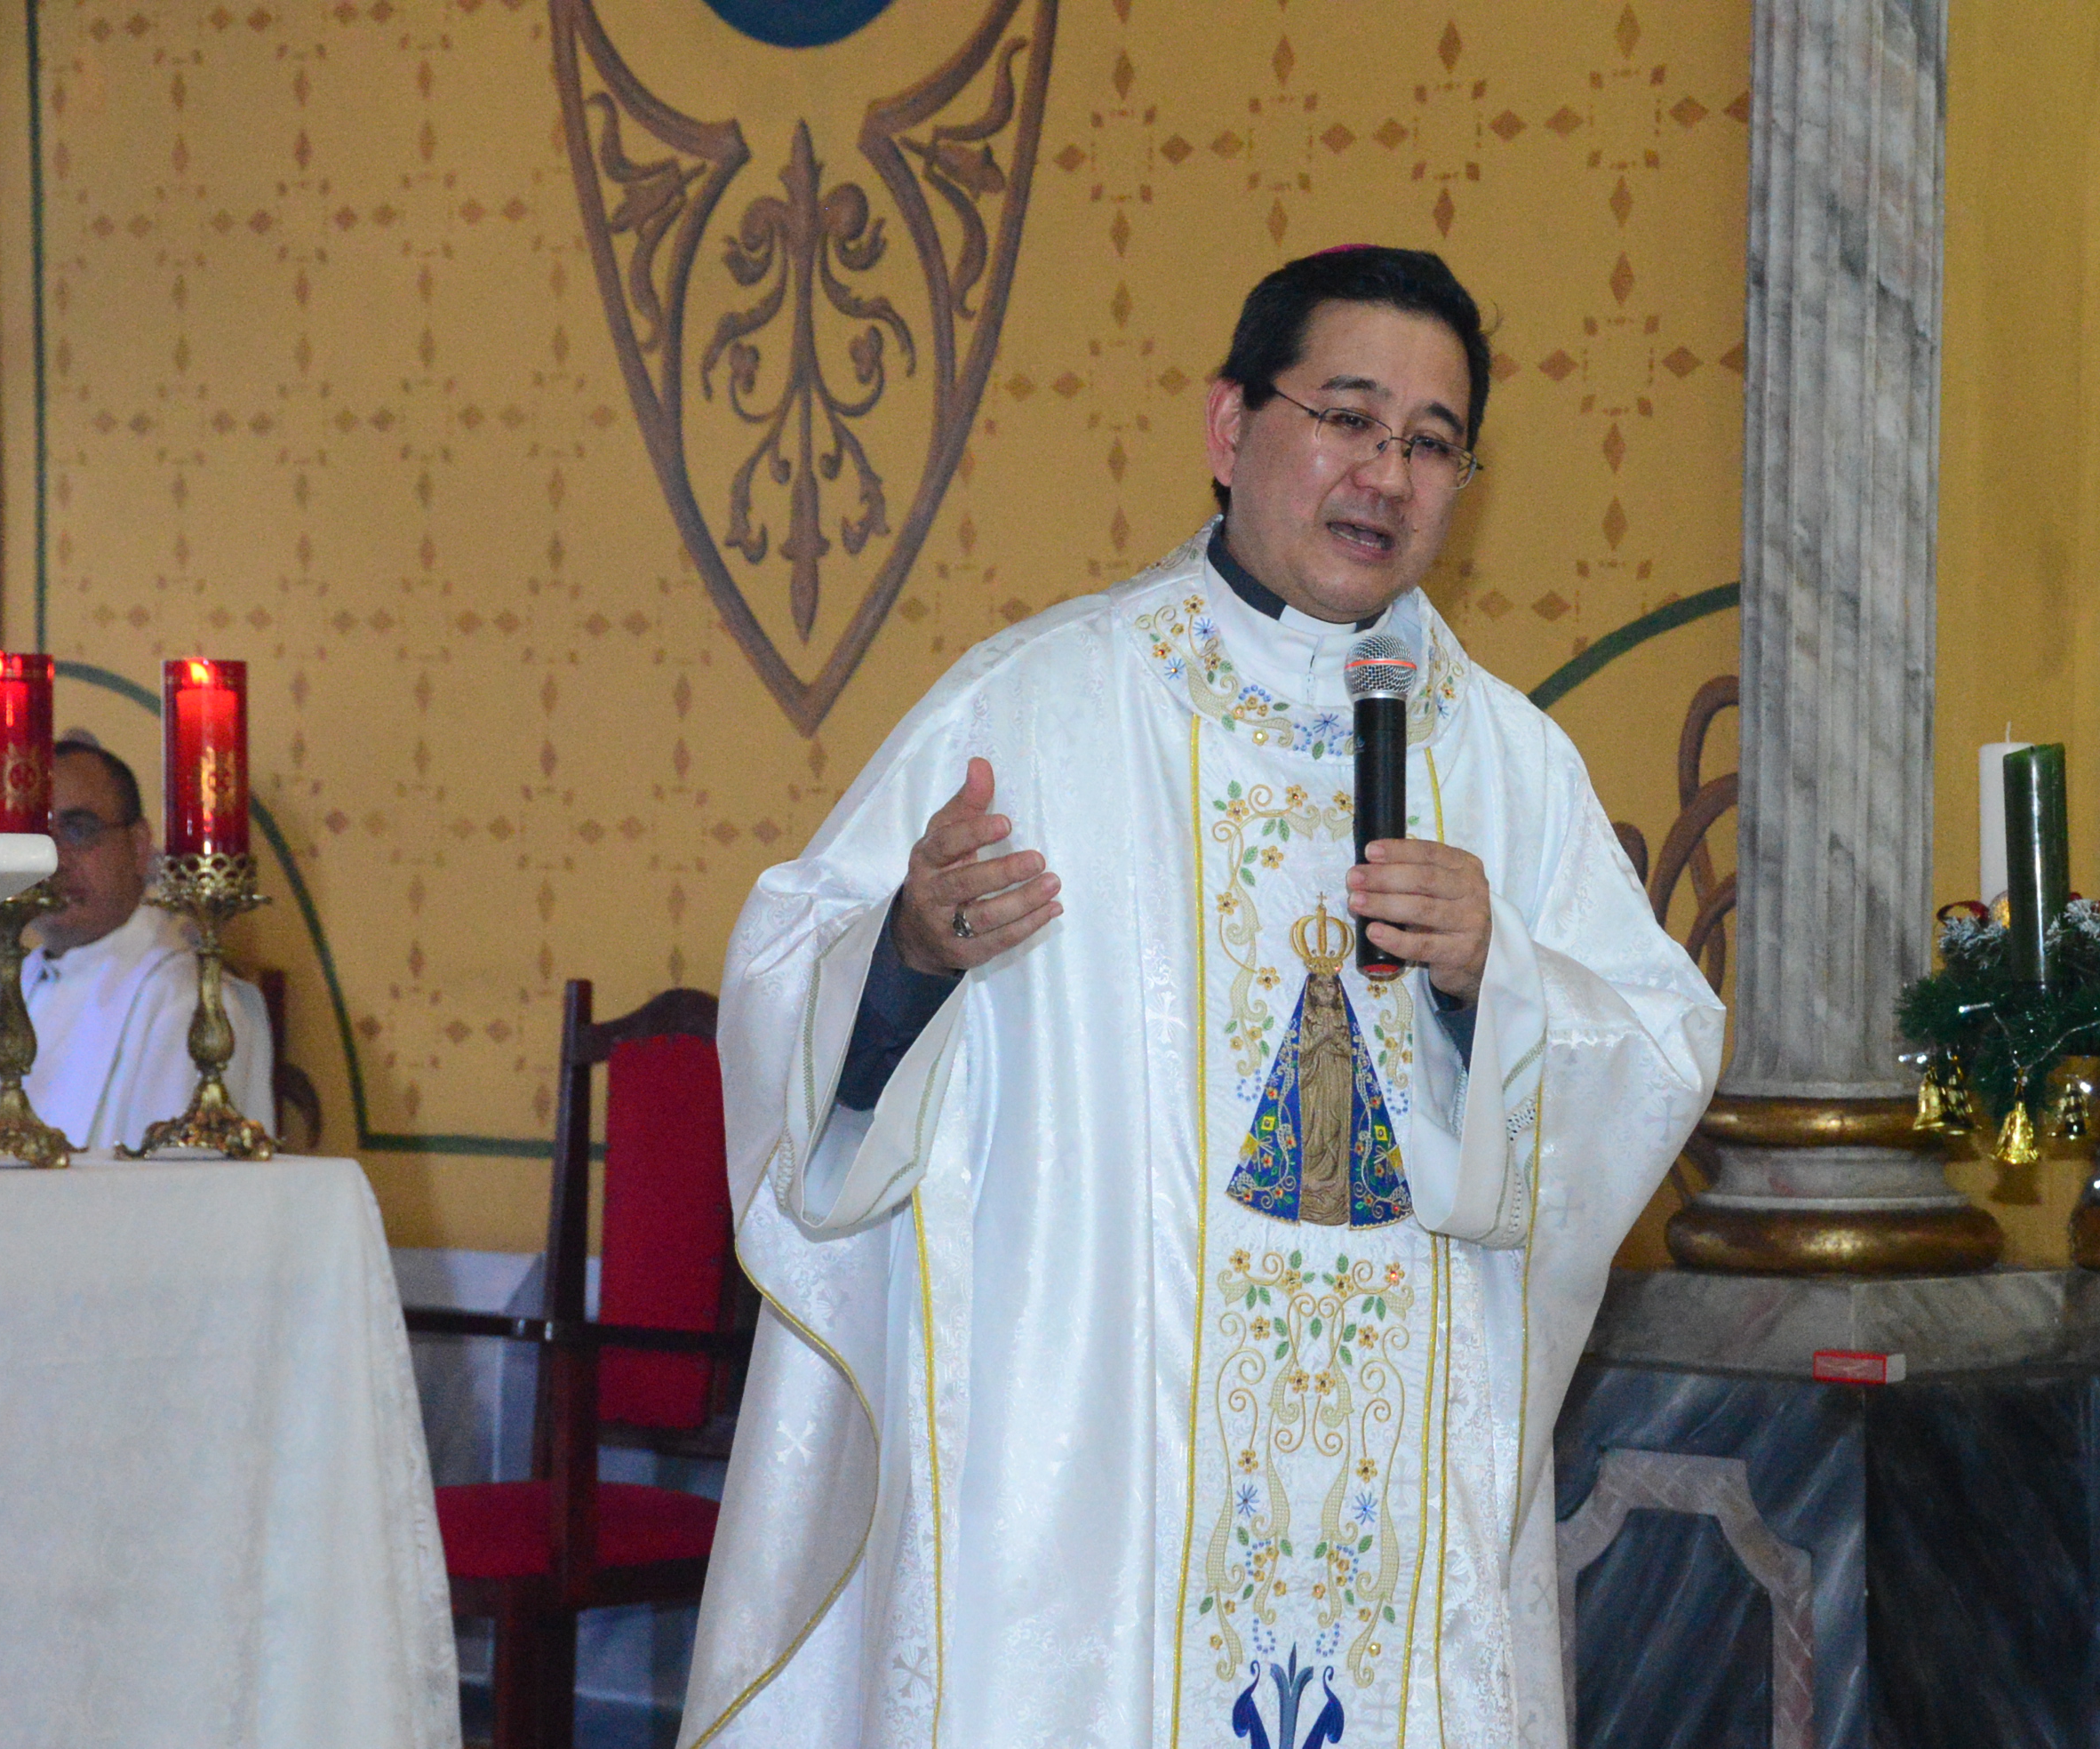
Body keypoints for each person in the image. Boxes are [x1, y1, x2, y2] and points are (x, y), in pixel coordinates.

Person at [686, 247, 1721, 1748]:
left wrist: (1493, 975)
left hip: (1393, 1525)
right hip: (1088, 1510)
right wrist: (908, 951)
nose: (1386, 474)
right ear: (1231, 428)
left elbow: (1655, 1050)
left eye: (1432, 443)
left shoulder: (1509, 765)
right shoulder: (1032, 709)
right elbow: (792, 985)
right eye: (1348, 417)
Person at [0, 734, 273, 1153]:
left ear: (138, 846)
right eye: (36, 836)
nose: (55, 861)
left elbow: (182, 1182)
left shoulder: (189, 1006)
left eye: (79, 830)